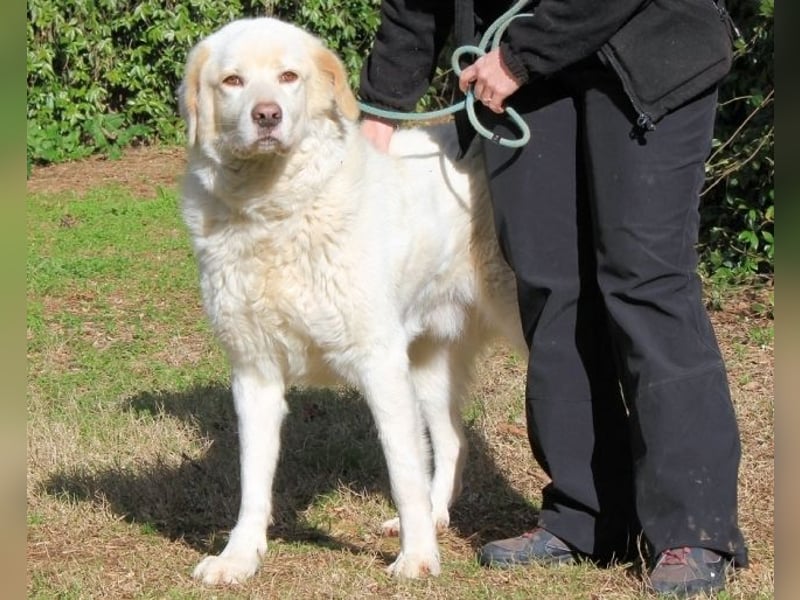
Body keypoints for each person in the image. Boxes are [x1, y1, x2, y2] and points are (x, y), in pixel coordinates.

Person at [358, 0, 749, 597]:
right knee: (550, 284)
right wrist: (379, 113)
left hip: (643, 46)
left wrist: (519, 57)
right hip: (523, 77)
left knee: (644, 281)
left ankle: (691, 527)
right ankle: (589, 516)